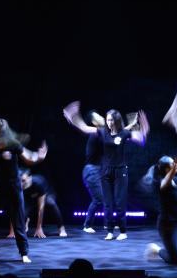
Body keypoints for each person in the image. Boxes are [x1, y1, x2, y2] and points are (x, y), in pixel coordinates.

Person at [63, 101, 149, 241]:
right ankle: (109, 231)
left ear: (117, 121)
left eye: (111, 120)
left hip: (120, 171)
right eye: (108, 120)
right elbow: (84, 128)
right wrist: (73, 117)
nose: (109, 122)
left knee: (120, 202)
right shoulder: (102, 132)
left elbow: (142, 140)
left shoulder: (124, 133)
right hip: (106, 171)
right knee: (107, 203)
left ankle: (123, 232)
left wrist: (144, 127)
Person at [0, 118, 47, 263]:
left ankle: (24, 253)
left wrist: (40, 157)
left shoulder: (13, 144)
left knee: (18, 220)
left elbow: (29, 159)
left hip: (14, 187)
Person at [8, 169, 67, 238]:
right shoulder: (16, 186)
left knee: (51, 203)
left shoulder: (39, 182)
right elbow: (14, 208)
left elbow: (41, 207)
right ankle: (27, 219)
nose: (21, 184)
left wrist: (39, 228)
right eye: (19, 181)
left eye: (23, 180)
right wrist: (12, 230)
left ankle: (61, 228)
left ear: (29, 178)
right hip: (30, 197)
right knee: (23, 212)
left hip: (46, 193)